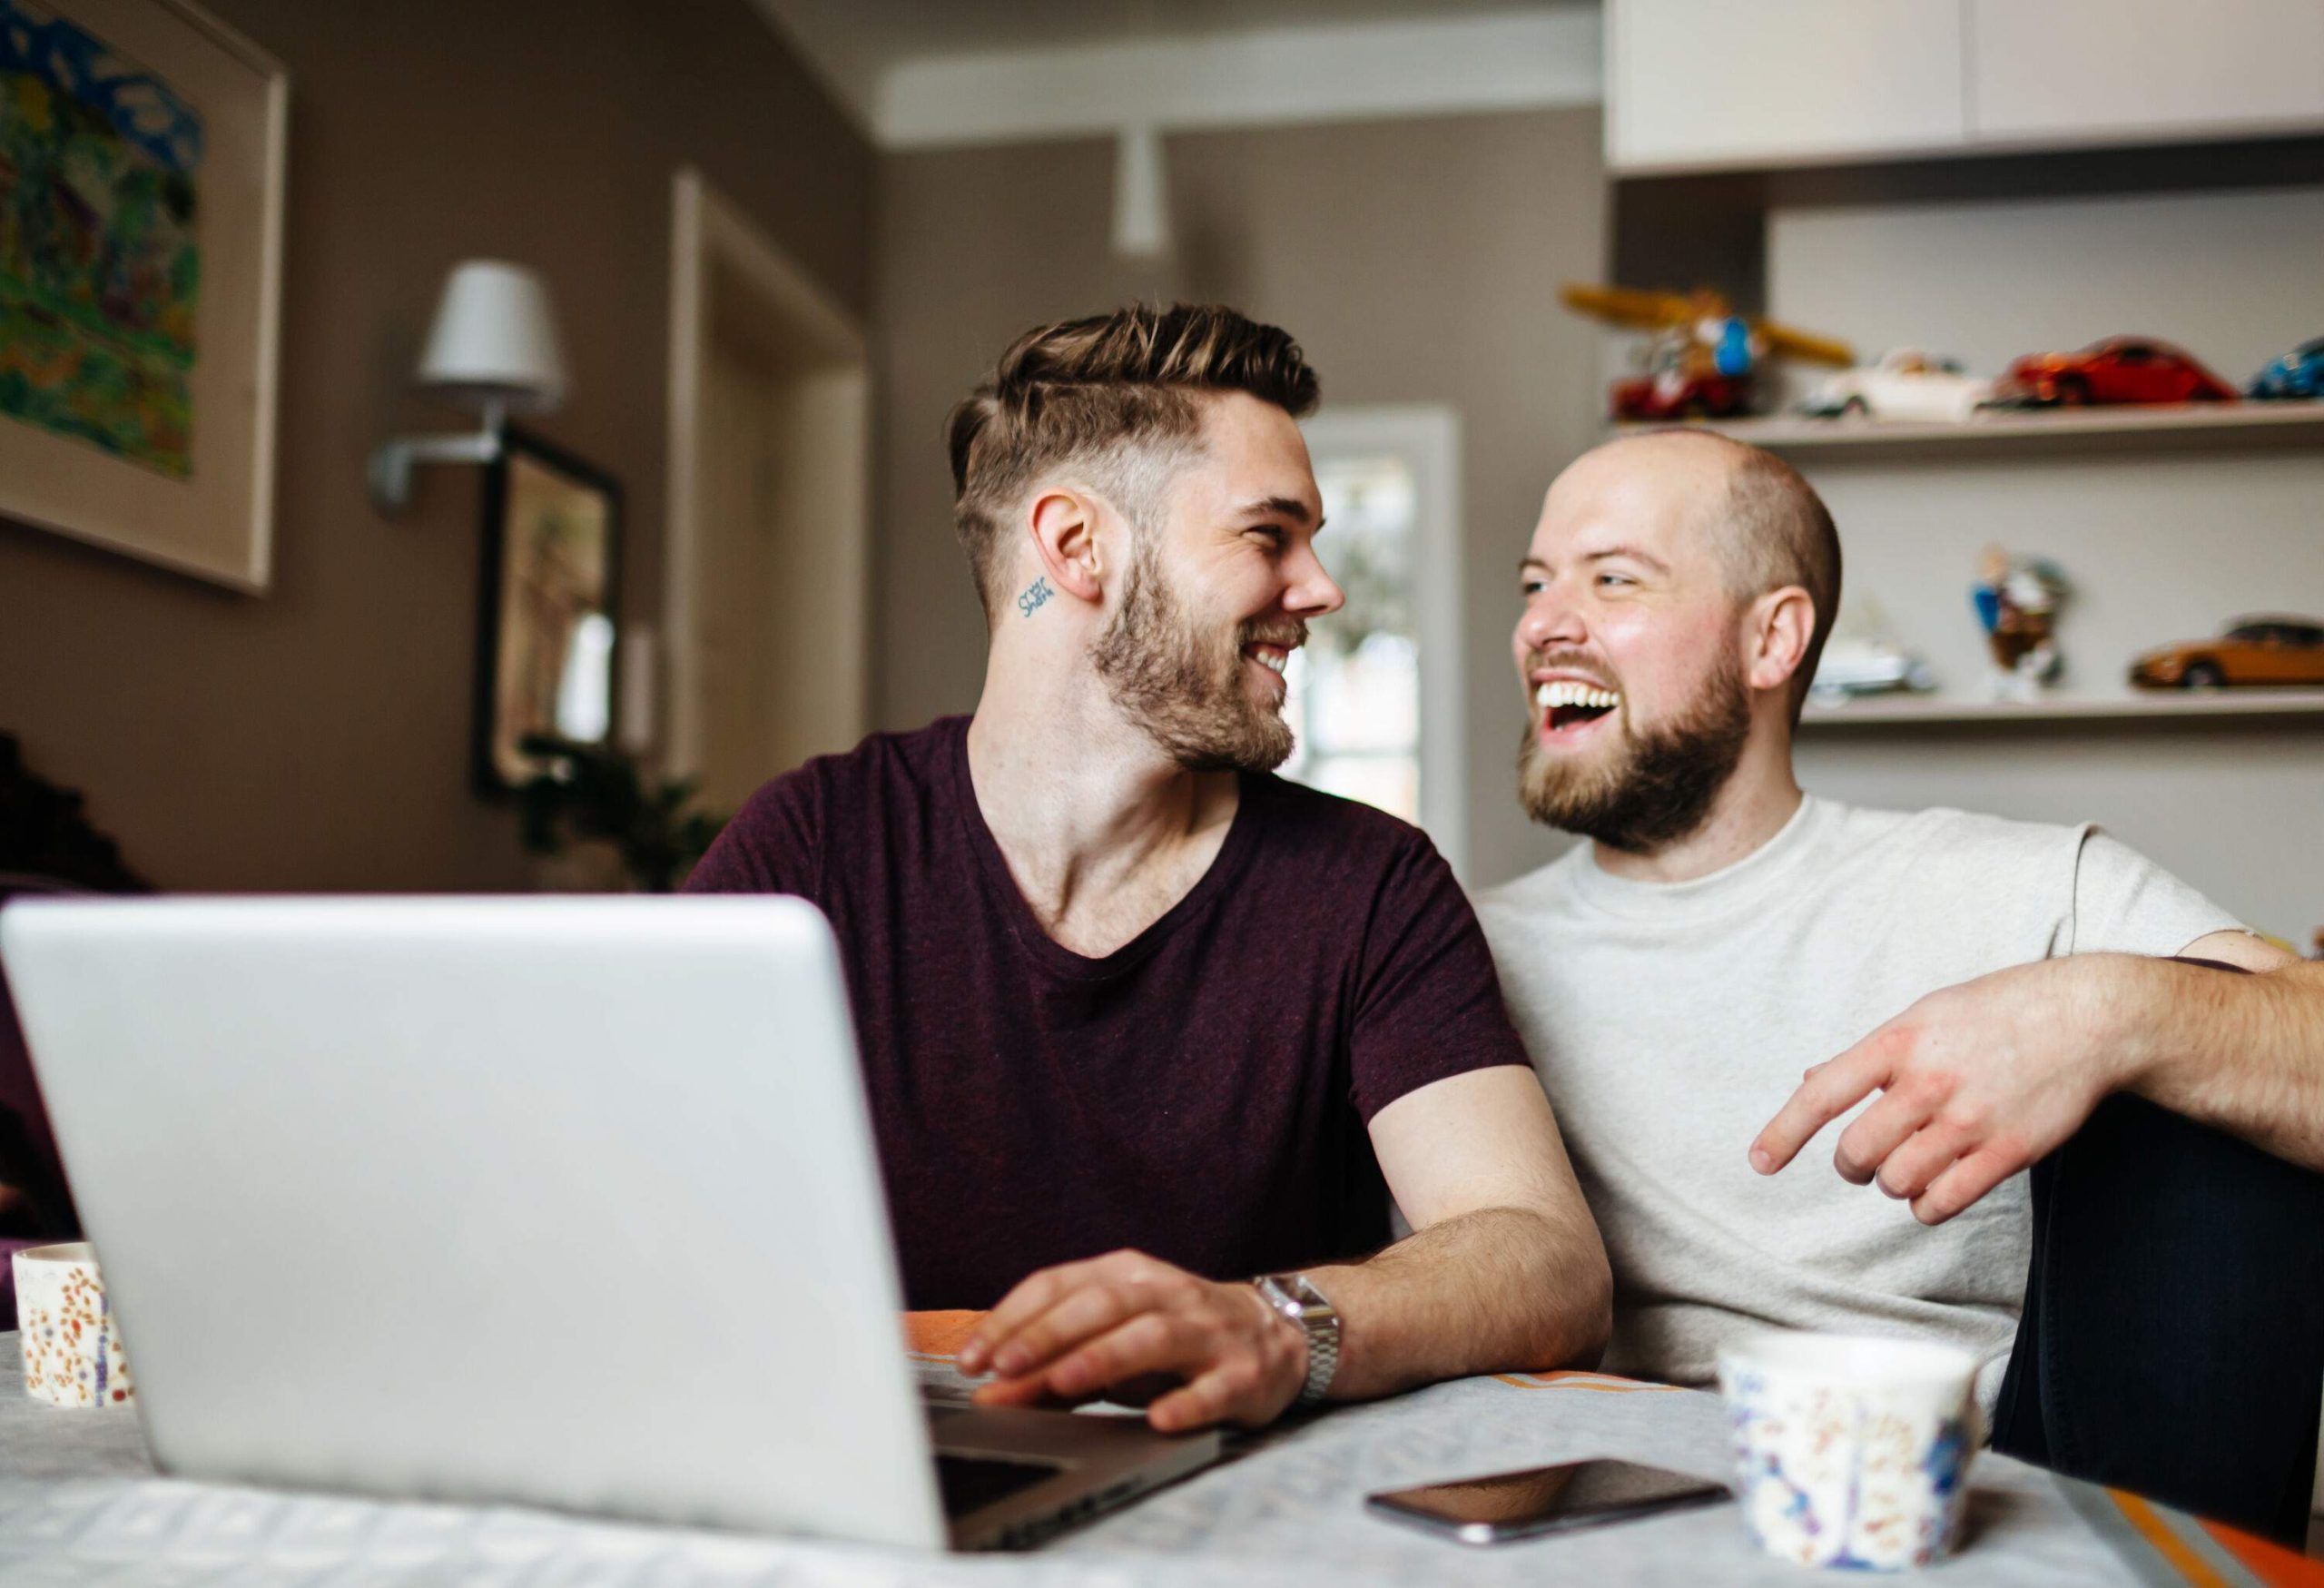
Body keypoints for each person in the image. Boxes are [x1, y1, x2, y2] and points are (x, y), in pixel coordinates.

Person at [687, 304, 1610, 1435]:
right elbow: (612, 1186)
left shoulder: (1369, 887)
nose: (1320, 587)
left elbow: (1545, 1257)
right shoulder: (817, 846)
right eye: (1269, 534)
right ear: (1076, 548)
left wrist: (1276, 1328)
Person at [1477, 429, 2324, 1540]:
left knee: (2218, 1073)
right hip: (1568, 1533)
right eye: (1535, 584)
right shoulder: (1442, 953)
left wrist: (2111, 1009)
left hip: (1949, 1526)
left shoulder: (2022, 889)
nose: (1543, 623)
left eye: (1613, 578)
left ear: (1772, 638)